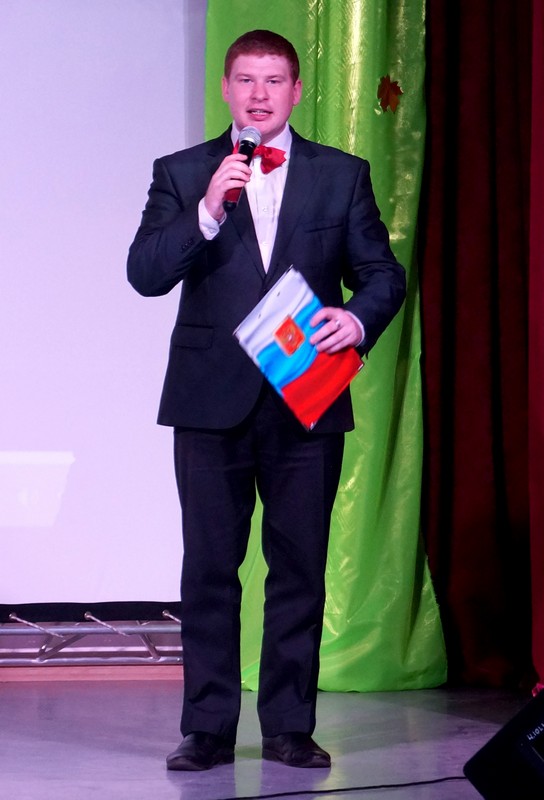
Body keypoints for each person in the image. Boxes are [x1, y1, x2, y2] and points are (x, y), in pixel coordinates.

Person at [127, 29, 406, 771]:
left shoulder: (340, 174)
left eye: (274, 81)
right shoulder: (183, 172)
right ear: (226, 89)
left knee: (299, 569)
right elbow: (145, 273)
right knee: (209, 570)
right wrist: (206, 211)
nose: (259, 94)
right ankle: (207, 728)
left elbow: (382, 273)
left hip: (304, 396)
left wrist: (358, 320)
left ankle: (288, 726)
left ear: (296, 91)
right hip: (209, 400)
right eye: (246, 80)